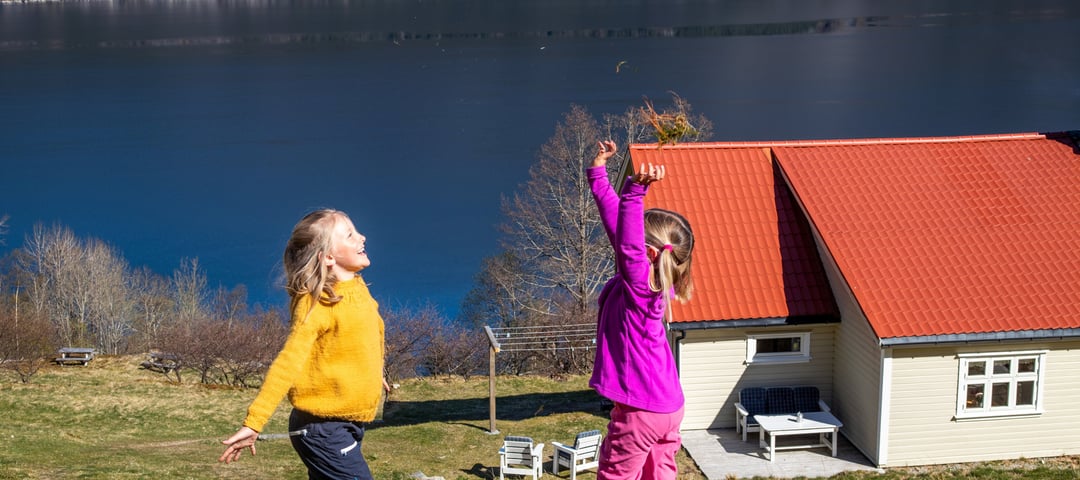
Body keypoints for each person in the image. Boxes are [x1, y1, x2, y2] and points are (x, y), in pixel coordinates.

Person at [219, 209, 389, 480]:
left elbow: (371, 333)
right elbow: (288, 363)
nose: (362, 237)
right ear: (329, 257)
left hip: (347, 424)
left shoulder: (357, 289)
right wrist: (254, 423)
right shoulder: (317, 303)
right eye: (350, 235)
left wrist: (374, 373)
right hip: (322, 429)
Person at [587, 140, 695, 480]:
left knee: (615, 475)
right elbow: (619, 230)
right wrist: (598, 173)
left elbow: (629, 245)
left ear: (646, 254)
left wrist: (635, 192)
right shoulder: (654, 285)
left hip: (641, 411)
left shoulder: (640, 289)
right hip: (669, 406)